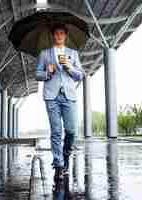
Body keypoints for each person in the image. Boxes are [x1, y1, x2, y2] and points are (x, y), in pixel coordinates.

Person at [36, 23, 85, 181]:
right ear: (53, 36)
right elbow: (37, 74)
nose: (59, 36)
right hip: (52, 96)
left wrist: (69, 66)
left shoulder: (73, 53)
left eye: (62, 33)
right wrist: (47, 73)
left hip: (69, 96)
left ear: (65, 35)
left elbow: (80, 75)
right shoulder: (45, 54)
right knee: (56, 131)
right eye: (56, 33)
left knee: (71, 130)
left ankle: (65, 153)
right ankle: (58, 165)